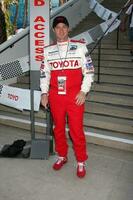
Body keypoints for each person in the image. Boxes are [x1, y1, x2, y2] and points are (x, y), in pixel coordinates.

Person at [40, 16, 94, 178]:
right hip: (56, 95)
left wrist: (84, 91)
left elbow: (89, 72)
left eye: (64, 27)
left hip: (74, 95)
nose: (61, 30)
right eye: (58, 27)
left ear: (69, 29)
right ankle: (62, 156)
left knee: (76, 130)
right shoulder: (47, 50)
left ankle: (81, 161)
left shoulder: (80, 47)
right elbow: (44, 74)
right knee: (58, 129)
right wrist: (44, 92)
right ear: (54, 30)